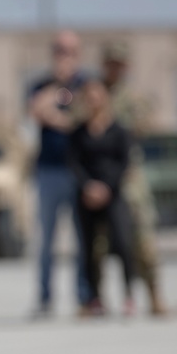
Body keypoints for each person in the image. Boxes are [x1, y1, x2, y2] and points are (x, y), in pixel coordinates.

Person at [98, 41, 167, 315]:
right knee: (100, 242)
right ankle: (98, 299)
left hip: (130, 176)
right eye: (111, 63)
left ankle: (154, 294)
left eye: (120, 64)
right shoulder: (94, 94)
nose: (115, 69)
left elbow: (146, 125)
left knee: (143, 237)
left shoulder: (133, 98)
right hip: (102, 176)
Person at [28, 29, 90, 317]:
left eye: (69, 51)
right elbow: (34, 110)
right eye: (58, 50)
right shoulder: (41, 83)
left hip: (79, 170)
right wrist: (55, 95)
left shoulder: (86, 84)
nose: (64, 56)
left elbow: (84, 116)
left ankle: (84, 296)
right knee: (47, 240)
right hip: (49, 170)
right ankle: (44, 297)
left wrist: (56, 117)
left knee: (82, 238)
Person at [68, 77, 137, 316]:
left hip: (112, 194)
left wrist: (107, 187)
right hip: (87, 196)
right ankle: (95, 298)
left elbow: (124, 162)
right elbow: (75, 163)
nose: (94, 101)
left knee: (123, 243)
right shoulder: (78, 132)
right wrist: (88, 186)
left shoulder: (119, 130)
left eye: (98, 96)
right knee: (89, 249)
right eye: (89, 97)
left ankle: (129, 295)